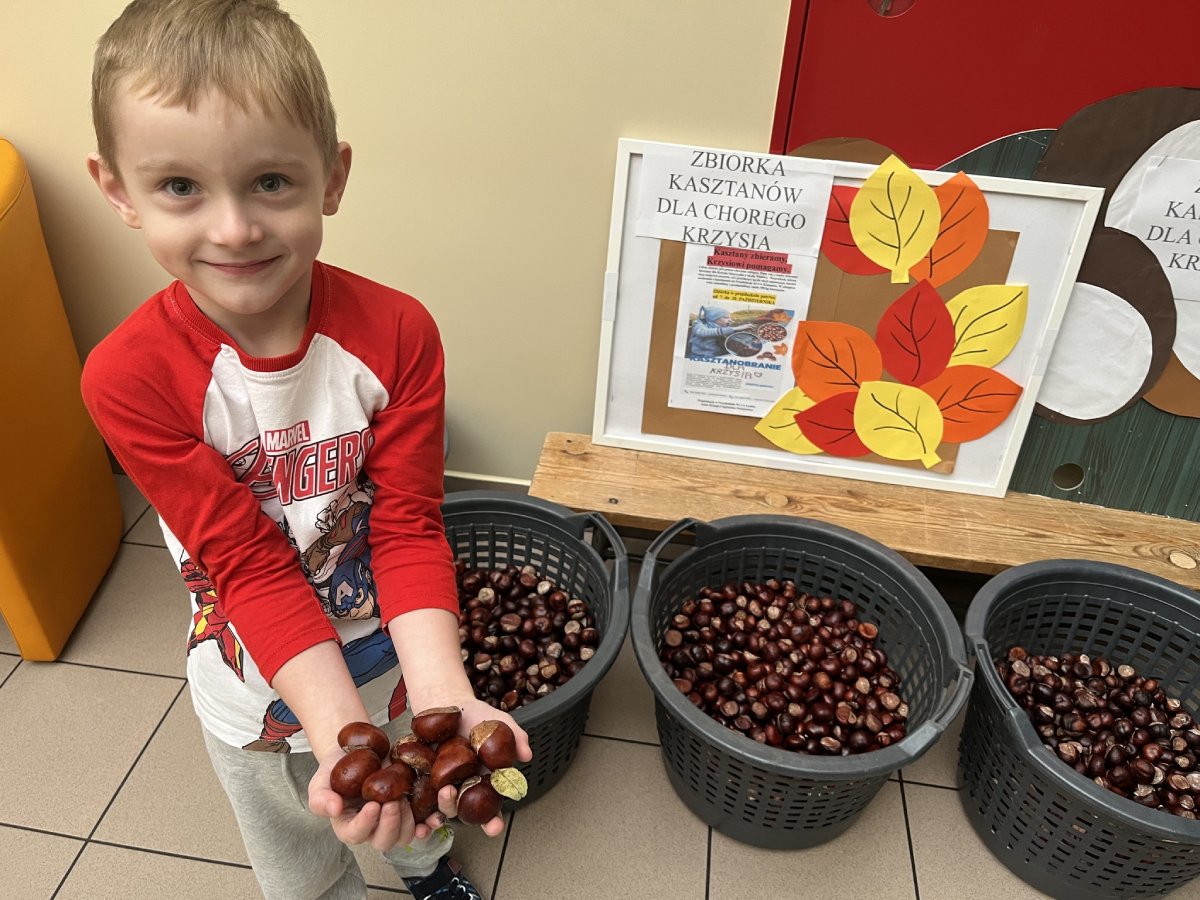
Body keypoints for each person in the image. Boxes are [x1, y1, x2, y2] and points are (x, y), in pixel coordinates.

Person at [80, 2, 529, 898]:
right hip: (251, 684)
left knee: (412, 805)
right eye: (180, 186)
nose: (234, 229)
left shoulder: (398, 333)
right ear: (118, 190)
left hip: (395, 656)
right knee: (295, 840)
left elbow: (406, 524)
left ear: (332, 176)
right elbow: (244, 564)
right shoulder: (128, 378)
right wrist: (335, 737)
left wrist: (444, 702)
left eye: (271, 182)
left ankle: (425, 872)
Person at [686, 304, 756, 359]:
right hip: (701, 356)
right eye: (725, 318)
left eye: (730, 318)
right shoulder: (698, 324)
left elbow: (729, 335)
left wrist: (741, 331)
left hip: (718, 354)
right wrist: (735, 328)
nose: (729, 320)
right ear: (714, 318)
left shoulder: (722, 326)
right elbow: (703, 332)